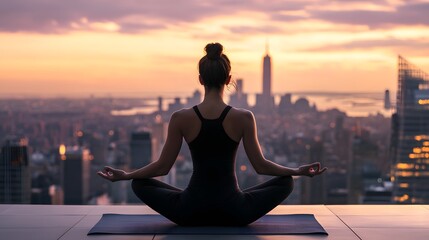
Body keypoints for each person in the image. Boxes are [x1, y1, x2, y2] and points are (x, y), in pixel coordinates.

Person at [97, 42, 327, 226]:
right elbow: (261, 166)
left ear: (200, 80)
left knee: (139, 184)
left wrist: (126, 175)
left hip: (190, 211)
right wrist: (297, 172)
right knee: (285, 183)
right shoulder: (244, 117)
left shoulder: (180, 118)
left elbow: (162, 168)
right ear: (228, 80)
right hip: (235, 211)